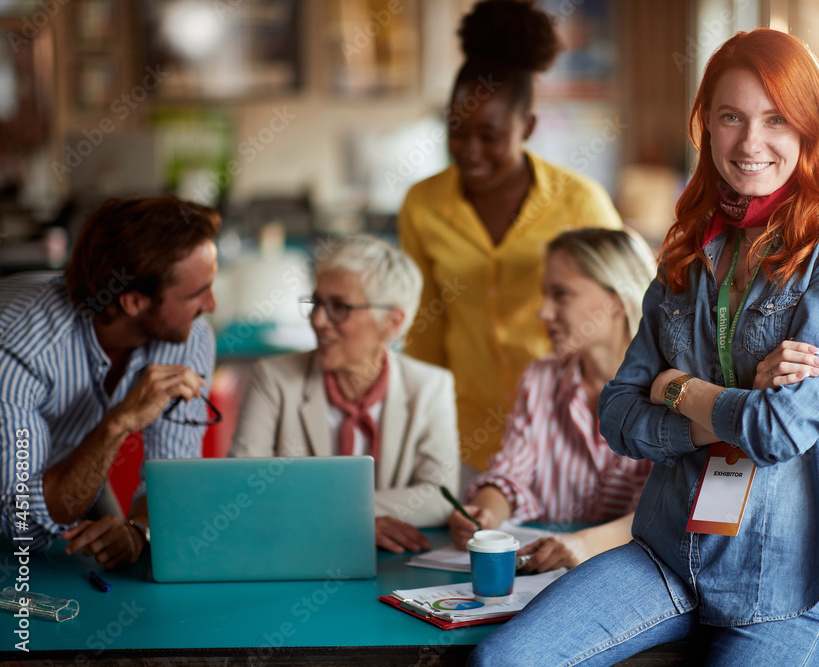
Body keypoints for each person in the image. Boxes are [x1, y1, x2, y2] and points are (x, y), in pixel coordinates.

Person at [471, 28, 819, 666]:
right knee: (501, 662)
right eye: (731, 117)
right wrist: (726, 406)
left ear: (810, 128)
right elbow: (616, 412)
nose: (751, 142)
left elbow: (780, 429)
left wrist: (676, 389)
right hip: (667, 554)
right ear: (708, 127)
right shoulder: (690, 248)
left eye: (776, 119)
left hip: (792, 582)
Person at [398, 0, 623, 474]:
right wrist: (417, 431)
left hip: (567, 432)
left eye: (490, 135)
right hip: (462, 436)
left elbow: (624, 320)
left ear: (528, 127)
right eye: (456, 131)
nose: (470, 151)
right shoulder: (423, 205)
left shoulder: (579, 202)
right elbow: (426, 330)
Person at [0, 197, 220, 569]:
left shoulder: (189, 334)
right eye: (197, 293)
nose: (211, 305)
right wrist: (119, 422)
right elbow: (25, 530)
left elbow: (172, 482)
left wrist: (138, 532)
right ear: (134, 301)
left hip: (68, 466)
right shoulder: (19, 346)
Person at [229, 234, 459, 554]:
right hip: (296, 555)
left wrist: (340, 513)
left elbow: (440, 496)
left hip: (394, 564)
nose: (318, 321)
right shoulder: (273, 378)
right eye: (316, 303)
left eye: (339, 307)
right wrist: (351, 520)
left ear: (392, 322)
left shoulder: (431, 385)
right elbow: (245, 489)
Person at [447, 228, 654, 573]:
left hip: (628, 578)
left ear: (618, 299)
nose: (543, 313)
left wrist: (583, 545)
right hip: (538, 577)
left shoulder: (671, 390)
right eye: (545, 295)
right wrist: (483, 512)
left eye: (561, 295)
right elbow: (511, 473)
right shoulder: (541, 378)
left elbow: (663, 512)